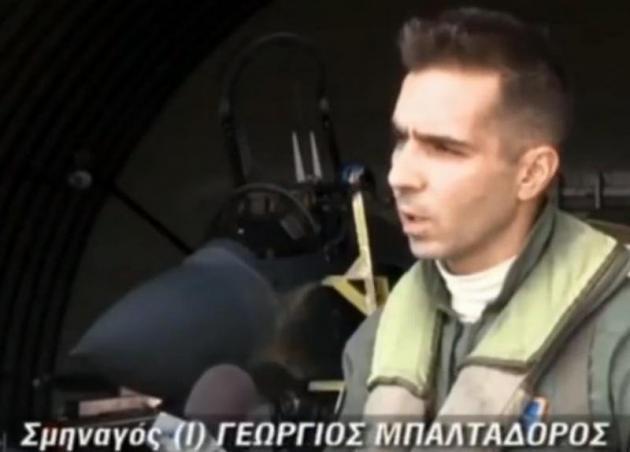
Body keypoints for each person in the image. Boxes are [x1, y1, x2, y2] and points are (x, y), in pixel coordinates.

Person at [337, 7, 630, 450]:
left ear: (531, 174)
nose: (399, 176)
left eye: (444, 149)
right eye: (401, 140)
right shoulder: (377, 342)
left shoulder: (616, 339)